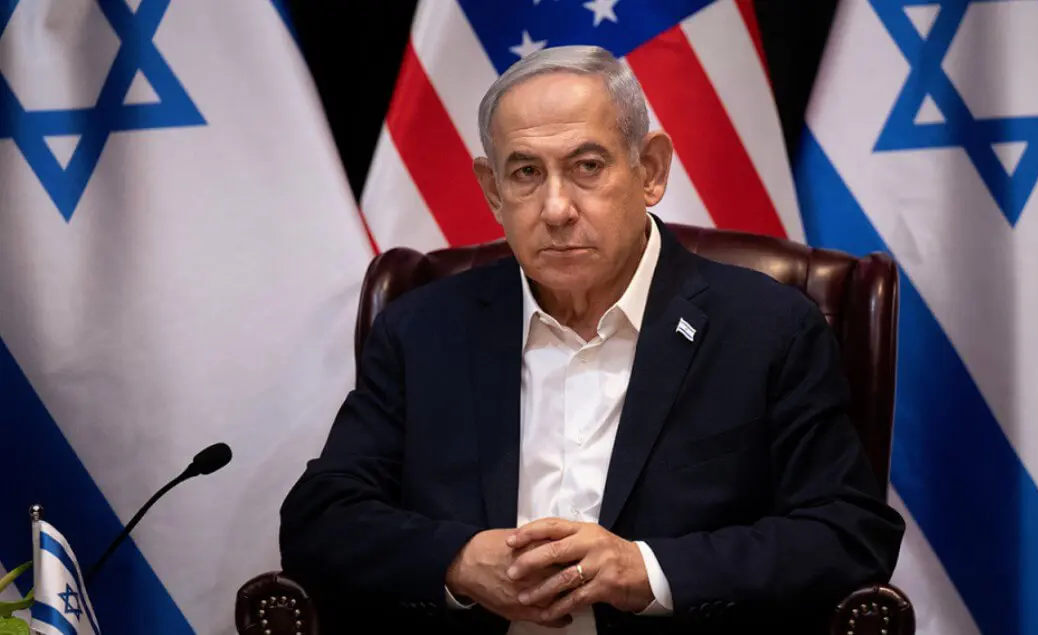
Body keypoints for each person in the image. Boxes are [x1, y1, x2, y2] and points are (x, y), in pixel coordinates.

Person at [279, 45, 904, 635]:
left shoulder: (768, 327)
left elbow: (847, 532)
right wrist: (459, 561)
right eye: (525, 172)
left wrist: (649, 571)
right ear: (494, 190)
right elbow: (320, 518)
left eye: (587, 166)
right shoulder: (423, 329)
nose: (556, 208)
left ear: (650, 170)